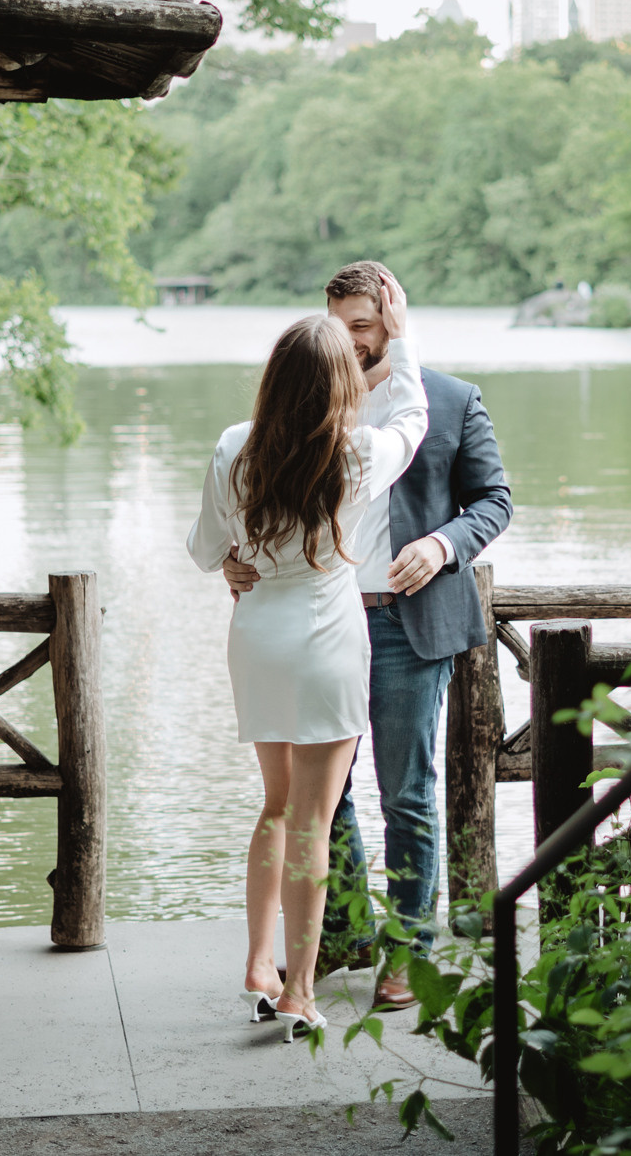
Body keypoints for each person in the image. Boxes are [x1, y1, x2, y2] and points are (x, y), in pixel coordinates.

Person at [224, 261, 512, 1010]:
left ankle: (410, 951)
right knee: (327, 798)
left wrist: (444, 543)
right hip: (324, 626)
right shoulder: (307, 405)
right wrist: (237, 557)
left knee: (408, 794)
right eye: (337, 327)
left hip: (409, 624)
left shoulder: (450, 399)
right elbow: (257, 499)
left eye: (362, 326)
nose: (349, 342)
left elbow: (495, 500)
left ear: (392, 322)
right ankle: (342, 929)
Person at [187, 271, 428, 1042]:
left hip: (257, 638)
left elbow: (202, 552)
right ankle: (297, 989)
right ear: (336, 383)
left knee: (274, 807)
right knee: (314, 823)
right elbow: (414, 414)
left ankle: (258, 962)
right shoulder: (357, 453)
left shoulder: (234, 446)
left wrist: (233, 557)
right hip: (327, 643)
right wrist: (402, 330)